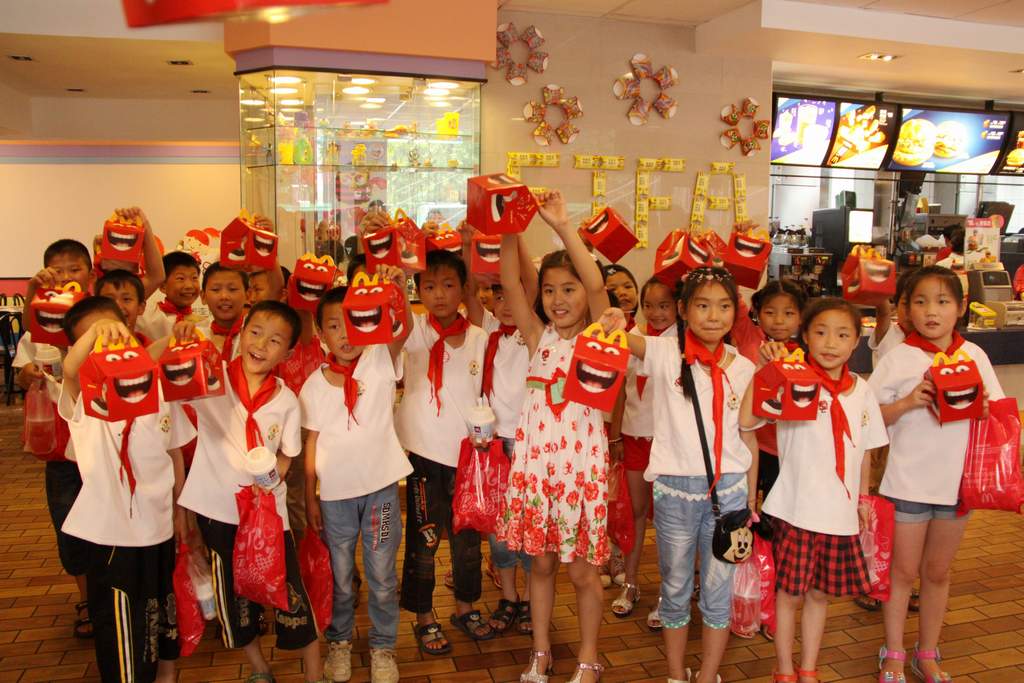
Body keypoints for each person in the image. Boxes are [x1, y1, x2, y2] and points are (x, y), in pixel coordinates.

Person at [612, 267, 759, 683]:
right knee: (674, 589)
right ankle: (677, 675)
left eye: (724, 306)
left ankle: (708, 675)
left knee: (717, 592)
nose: (714, 316)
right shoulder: (664, 351)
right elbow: (620, 339)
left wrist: (750, 501)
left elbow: (747, 437)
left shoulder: (743, 367)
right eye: (703, 305)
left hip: (729, 493)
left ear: (735, 312)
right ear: (683, 309)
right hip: (674, 492)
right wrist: (612, 319)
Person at [495, 189, 612, 683]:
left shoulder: (600, 335)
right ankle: (540, 652)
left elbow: (598, 286)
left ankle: (588, 656)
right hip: (536, 470)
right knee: (540, 567)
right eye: (549, 290)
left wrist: (563, 225)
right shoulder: (536, 337)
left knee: (583, 572)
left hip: (581, 474)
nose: (558, 300)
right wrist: (509, 225)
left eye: (568, 289)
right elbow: (510, 282)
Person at [740, 298, 888, 683]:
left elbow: (864, 449)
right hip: (796, 509)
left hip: (839, 514)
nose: (830, 343)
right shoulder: (793, 381)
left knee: (820, 595)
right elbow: (748, 420)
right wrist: (765, 372)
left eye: (842, 334)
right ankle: (784, 669)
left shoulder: (862, 390)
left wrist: (862, 498)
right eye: (820, 332)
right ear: (805, 336)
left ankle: (808, 668)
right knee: (789, 594)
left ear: (856, 340)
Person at [176, 301, 324, 683]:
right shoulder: (212, 380)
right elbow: (171, 381)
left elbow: (288, 453)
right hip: (218, 511)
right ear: (241, 334)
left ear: (287, 354)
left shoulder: (286, 400)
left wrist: (273, 479)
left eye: (275, 340)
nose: (260, 344)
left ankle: (314, 674)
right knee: (233, 597)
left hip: (268, 516)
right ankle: (260, 668)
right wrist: (179, 344)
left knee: (291, 590)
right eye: (255, 332)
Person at [871, 266, 1004, 683]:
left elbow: (998, 413)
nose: (932, 311)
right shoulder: (899, 358)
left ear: (961, 308)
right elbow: (867, 417)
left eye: (943, 302)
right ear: (906, 310)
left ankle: (927, 653)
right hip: (906, 485)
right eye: (921, 302)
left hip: (957, 487)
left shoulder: (974, 355)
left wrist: (985, 410)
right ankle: (893, 653)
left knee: (937, 573)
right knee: (901, 574)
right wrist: (908, 402)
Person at [58, 296, 193, 683]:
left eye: (117, 333)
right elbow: (69, 370)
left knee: (160, 613)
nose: (110, 343)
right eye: (95, 340)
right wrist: (97, 334)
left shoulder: (157, 390)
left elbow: (174, 454)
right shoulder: (88, 403)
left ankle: (166, 676)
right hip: (113, 537)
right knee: (120, 625)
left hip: (160, 529)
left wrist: (181, 510)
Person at [302, 271, 410, 683]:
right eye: (334, 325)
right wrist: (311, 498)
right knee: (341, 575)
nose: (345, 334)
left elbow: (403, 328)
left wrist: (395, 289)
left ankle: (383, 647)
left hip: (381, 491)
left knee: (382, 574)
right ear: (320, 333)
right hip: (335, 498)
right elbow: (311, 443)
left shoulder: (380, 359)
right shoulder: (313, 386)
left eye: (354, 322)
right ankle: (340, 642)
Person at [394, 248, 492, 654]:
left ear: (464, 289)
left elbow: (485, 393)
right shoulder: (414, 331)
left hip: (468, 456)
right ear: (418, 290)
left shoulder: (480, 337)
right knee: (424, 539)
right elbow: (395, 325)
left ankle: (466, 607)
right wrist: (396, 277)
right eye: (429, 286)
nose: (438, 294)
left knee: (467, 541)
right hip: (422, 455)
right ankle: (424, 616)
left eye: (448, 285)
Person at [15, 237, 95, 638]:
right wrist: (28, 373)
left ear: (90, 276)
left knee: (106, 521)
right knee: (69, 525)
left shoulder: (96, 324)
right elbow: (21, 371)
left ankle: (111, 594)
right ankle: (87, 600)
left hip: (99, 447)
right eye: (57, 270)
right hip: (61, 452)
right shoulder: (38, 329)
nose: (65, 277)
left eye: (74, 269)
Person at [465, 226, 538, 638]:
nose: (508, 304)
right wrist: (467, 245)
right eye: (500, 297)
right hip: (492, 445)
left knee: (526, 525)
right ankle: (509, 597)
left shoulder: (535, 334)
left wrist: (515, 233)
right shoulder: (488, 332)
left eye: (515, 296)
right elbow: (470, 291)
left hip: (527, 446)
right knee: (497, 529)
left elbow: (527, 279)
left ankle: (529, 600)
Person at [610, 277, 678, 630]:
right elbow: (621, 390)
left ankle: (668, 593)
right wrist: (615, 435)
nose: (656, 312)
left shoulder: (682, 342)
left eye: (664, 305)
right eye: (649, 305)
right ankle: (631, 583)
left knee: (667, 521)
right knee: (636, 513)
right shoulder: (633, 334)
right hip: (634, 437)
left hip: (668, 442)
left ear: (678, 306)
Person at [747, 280, 806, 520]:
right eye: (770, 312)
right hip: (748, 442)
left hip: (783, 448)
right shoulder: (749, 339)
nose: (779, 321)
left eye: (789, 313)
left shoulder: (807, 353)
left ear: (801, 317)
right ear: (758, 313)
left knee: (776, 513)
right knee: (744, 508)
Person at [136, 250, 203, 342]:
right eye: (180, 278)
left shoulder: (202, 323)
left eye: (194, 278)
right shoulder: (146, 315)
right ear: (163, 286)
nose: (189, 286)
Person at [199, 263, 249, 359]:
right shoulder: (198, 337)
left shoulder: (257, 335)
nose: (224, 296)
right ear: (203, 296)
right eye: (216, 289)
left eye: (232, 289)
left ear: (248, 295)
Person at [95, 269, 151, 345]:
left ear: (141, 307)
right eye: (109, 300)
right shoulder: (88, 347)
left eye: (126, 299)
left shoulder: (154, 348)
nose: (118, 306)